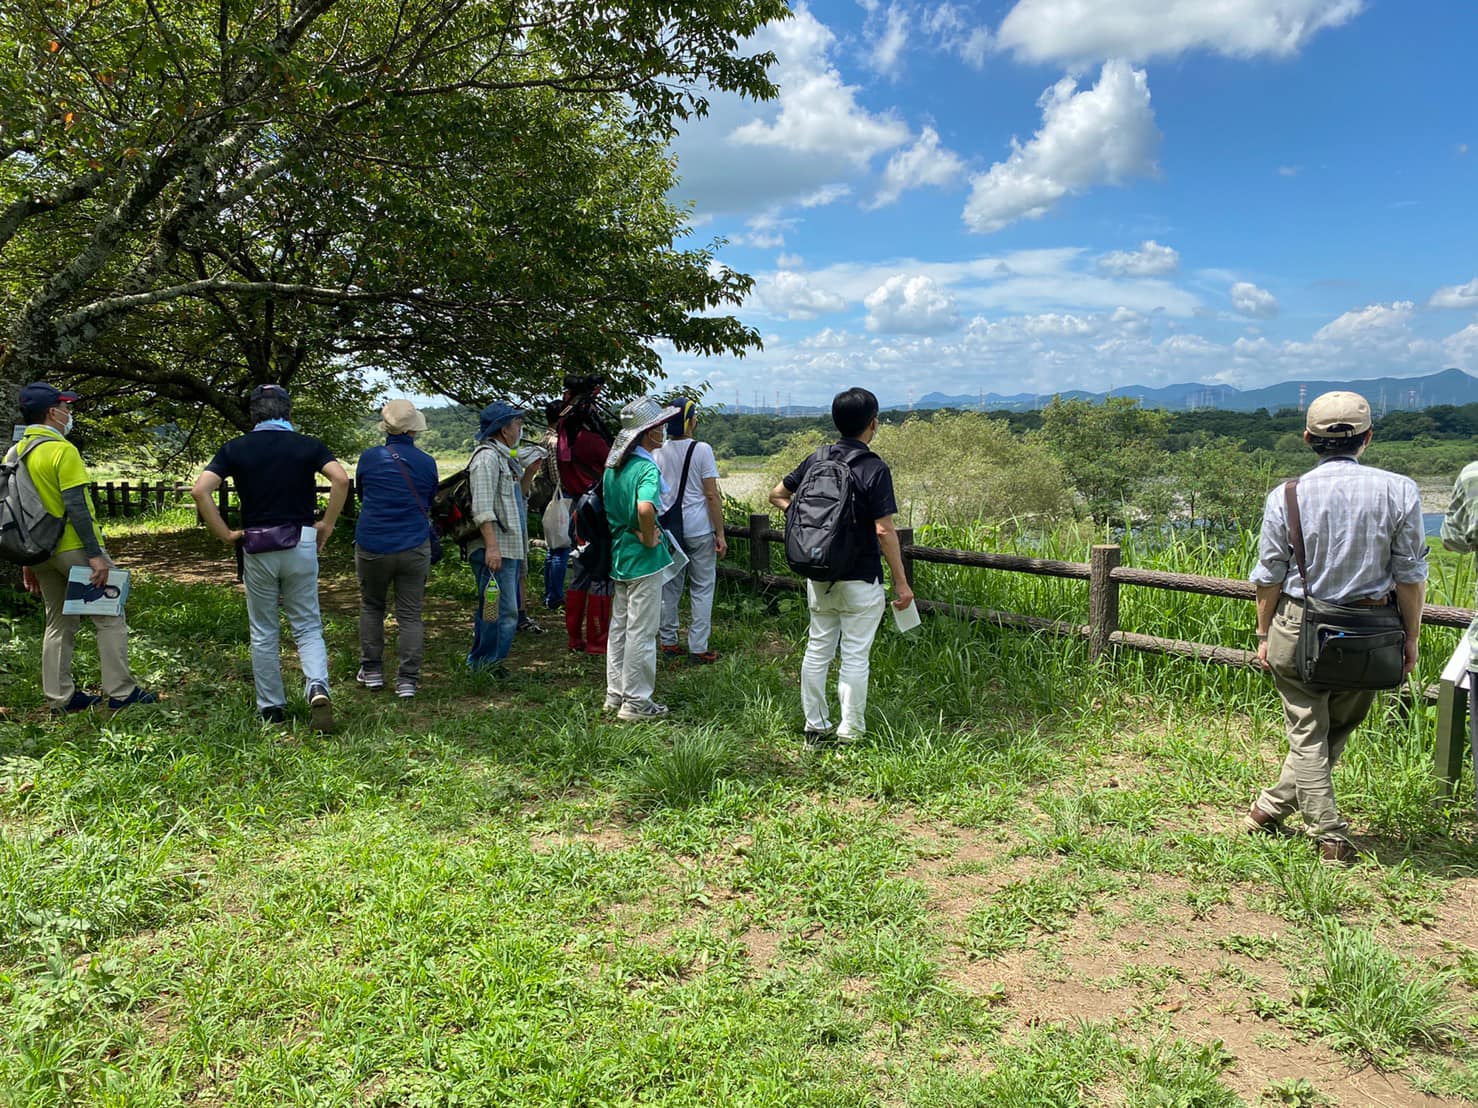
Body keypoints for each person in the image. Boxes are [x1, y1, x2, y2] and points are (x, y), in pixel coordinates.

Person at [1246, 390, 1427, 865]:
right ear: (1368, 438)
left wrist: (1264, 635)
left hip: (1300, 623)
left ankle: (1306, 825)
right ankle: (1303, 822)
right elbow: (1410, 574)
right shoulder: (1401, 489)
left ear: (1308, 439)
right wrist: (1411, 636)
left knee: (1308, 731)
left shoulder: (1286, 495)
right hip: (1372, 630)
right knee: (1340, 723)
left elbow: (1269, 576)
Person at [192, 383, 350, 729]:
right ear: (288, 412)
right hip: (301, 540)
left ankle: (271, 708)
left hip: (256, 544)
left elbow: (200, 491)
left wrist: (225, 534)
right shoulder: (308, 445)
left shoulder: (235, 448)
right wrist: (327, 524)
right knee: (307, 623)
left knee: (263, 629)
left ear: (253, 414)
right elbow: (340, 480)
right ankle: (317, 684)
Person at [769, 387, 913, 745]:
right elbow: (883, 530)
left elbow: (777, 494)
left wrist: (802, 520)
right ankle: (850, 733)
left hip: (818, 574)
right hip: (861, 577)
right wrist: (901, 583)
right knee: (854, 656)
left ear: (836, 421)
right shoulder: (873, 468)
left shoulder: (816, 460)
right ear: (873, 423)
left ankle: (815, 728)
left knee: (818, 649)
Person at [14, 382, 156, 714]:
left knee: (58, 622)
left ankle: (60, 698)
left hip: (39, 552)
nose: (69, 413)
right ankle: (121, 692)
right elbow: (76, 506)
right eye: (66, 407)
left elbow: (17, 508)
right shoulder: (62, 450)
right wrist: (95, 555)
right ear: (53, 412)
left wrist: (26, 559)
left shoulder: (15, 452)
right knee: (109, 617)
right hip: (74, 548)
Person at [352, 399, 438, 698]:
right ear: (414, 430)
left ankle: (373, 670)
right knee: (411, 614)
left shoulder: (370, 458)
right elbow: (428, 500)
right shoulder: (427, 462)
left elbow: (362, 494)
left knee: (372, 606)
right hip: (414, 543)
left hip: (373, 542)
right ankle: (407, 680)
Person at [603, 396, 680, 721]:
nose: (663, 430)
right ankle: (637, 701)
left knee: (619, 627)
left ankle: (615, 693)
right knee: (643, 631)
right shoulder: (646, 467)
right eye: (658, 426)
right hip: (644, 559)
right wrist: (649, 535)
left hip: (621, 553)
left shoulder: (614, 467)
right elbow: (645, 507)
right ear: (647, 433)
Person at [654, 398, 727, 663]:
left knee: (670, 586)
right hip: (698, 528)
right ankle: (698, 647)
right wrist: (720, 533)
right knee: (702, 587)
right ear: (690, 420)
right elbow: (711, 495)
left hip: (669, 530)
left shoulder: (658, 451)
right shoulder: (702, 449)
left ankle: (668, 641)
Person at [465, 401, 527, 675]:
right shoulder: (487, 459)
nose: (520, 428)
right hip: (495, 551)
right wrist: (491, 547)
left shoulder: (503, 457)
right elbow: (482, 508)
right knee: (499, 610)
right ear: (503, 430)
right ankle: (487, 663)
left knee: (496, 609)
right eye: (516, 424)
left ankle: (487, 661)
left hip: (506, 549)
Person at [555, 373, 615, 653]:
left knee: (579, 574)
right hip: (597, 511)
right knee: (600, 573)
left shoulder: (565, 438)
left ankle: (574, 637)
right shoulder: (591, 441)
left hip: (576, 510)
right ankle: (597, 640)